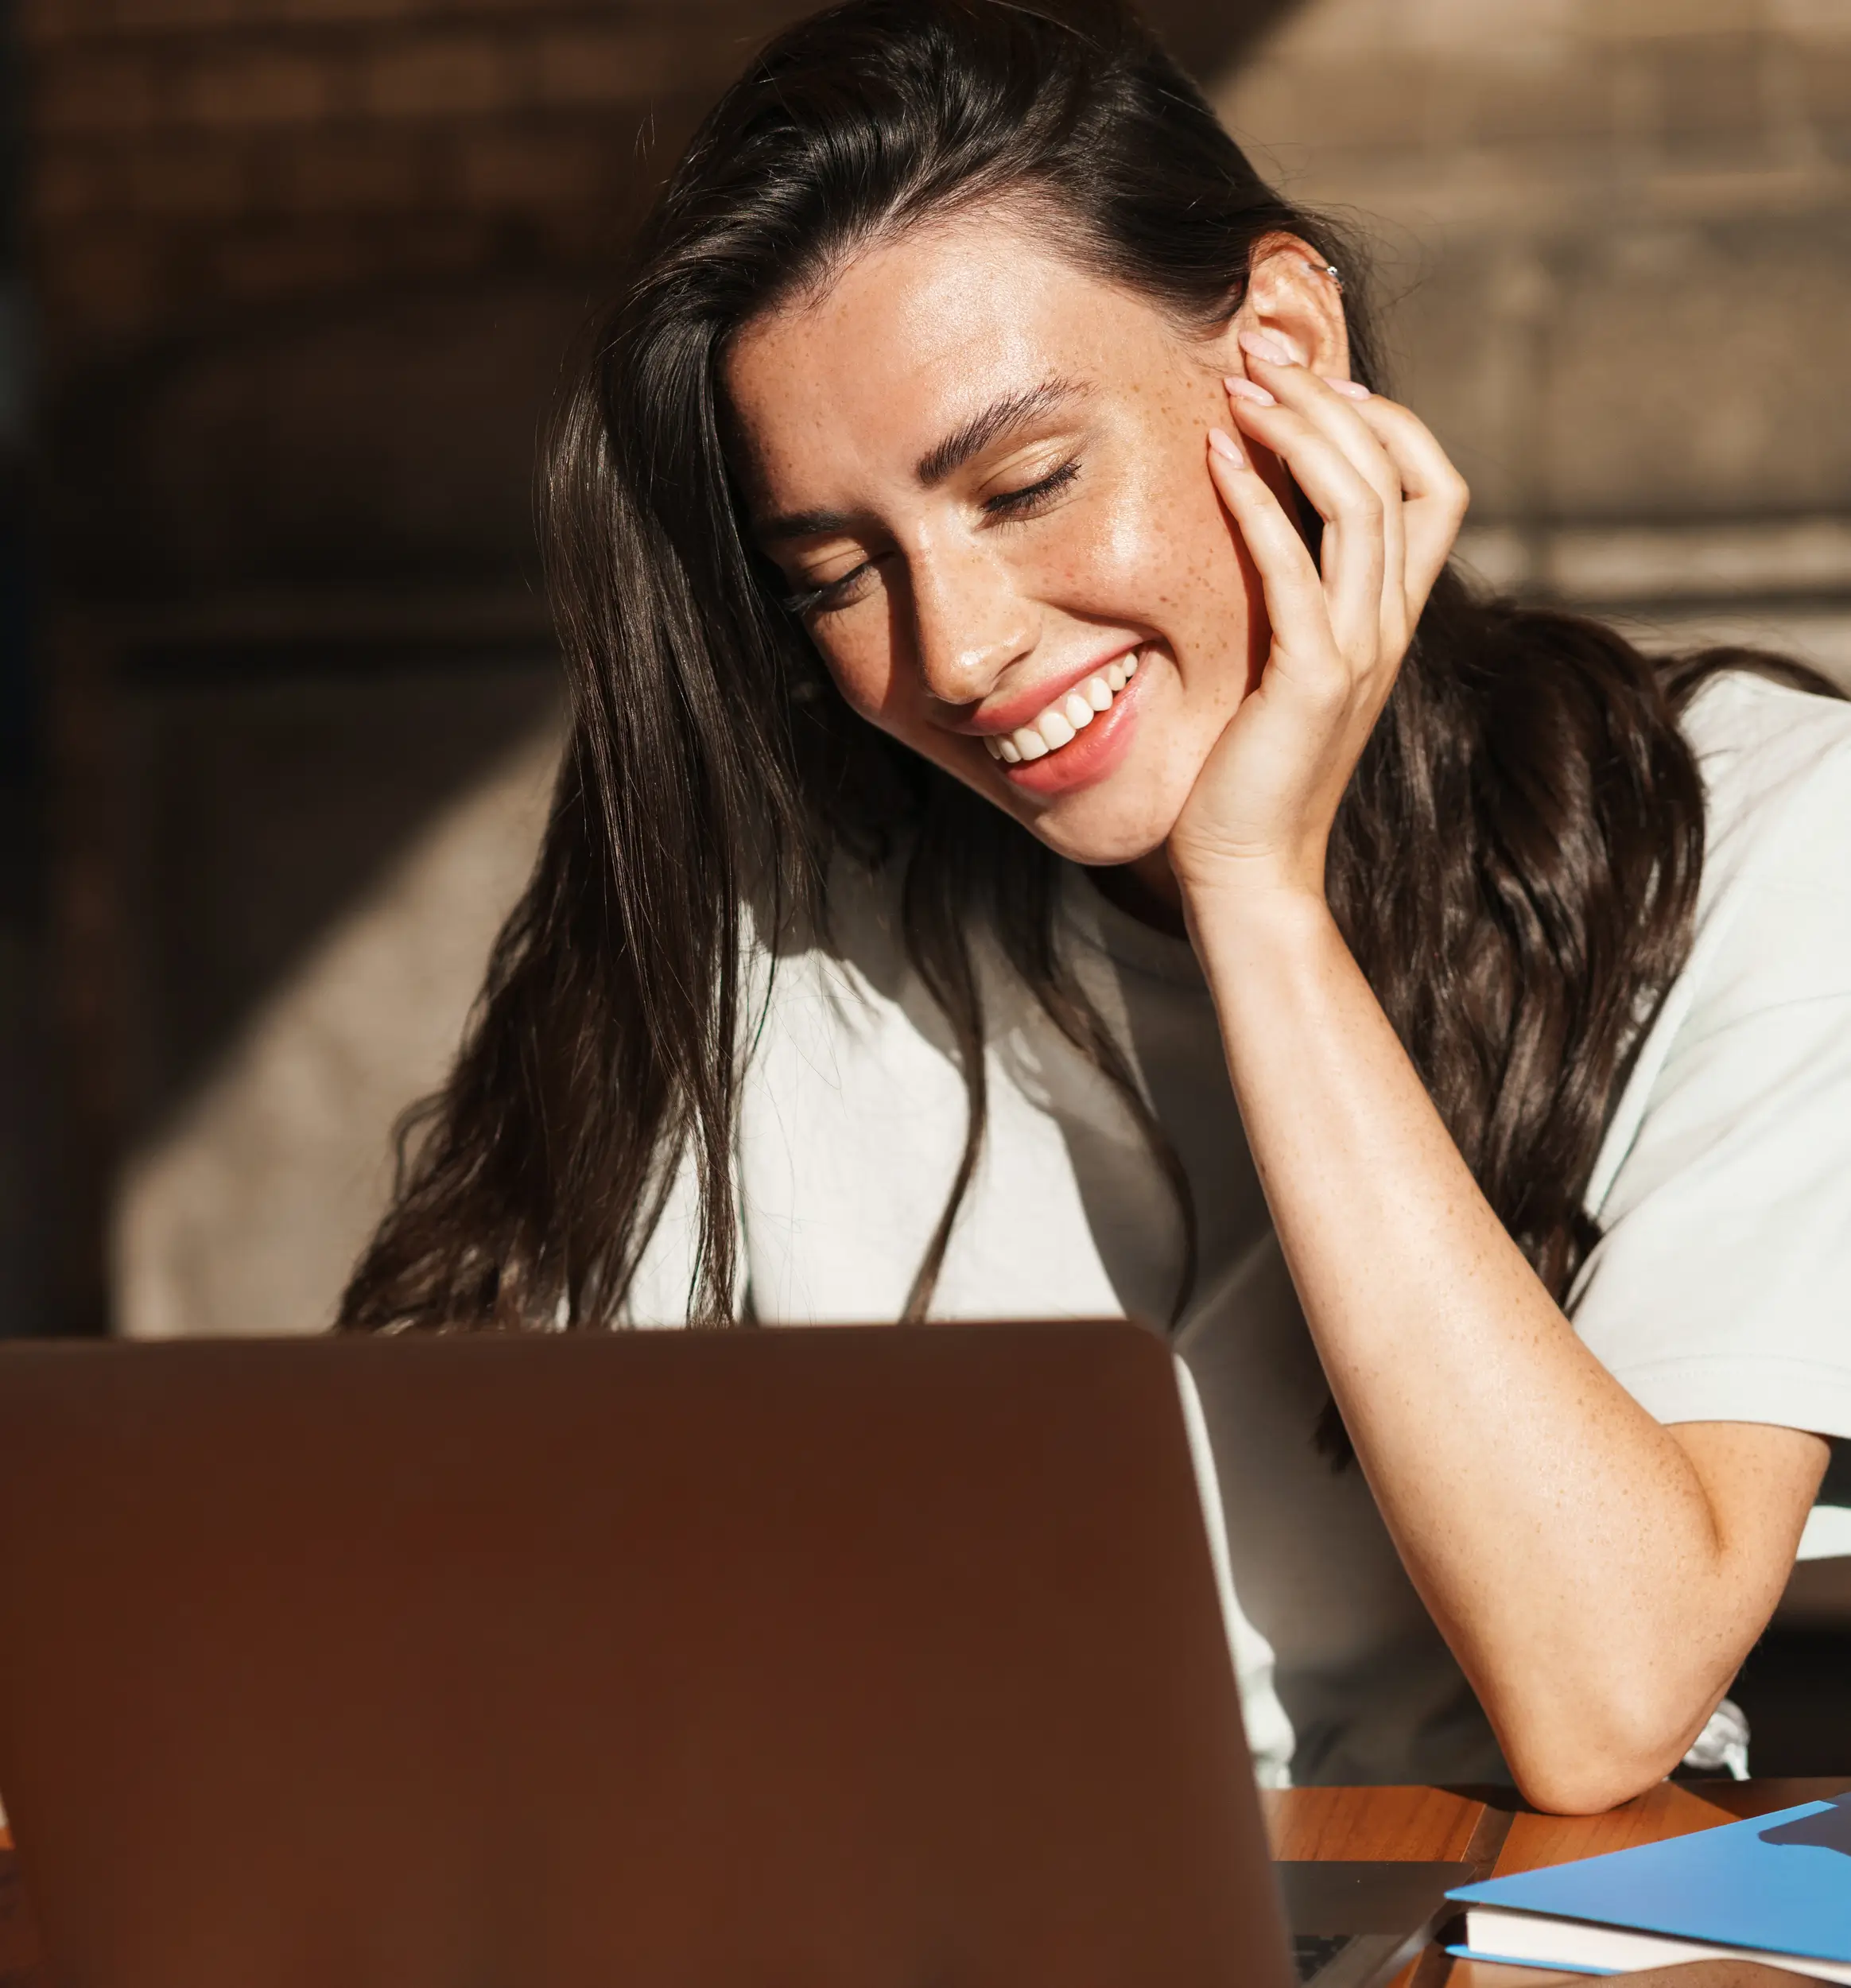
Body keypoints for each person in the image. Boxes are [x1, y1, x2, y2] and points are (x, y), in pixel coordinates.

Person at [340, 0, 1851, 1811]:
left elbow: (1605, 1690)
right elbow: (416, 1586)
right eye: (837, 573)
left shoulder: (1759, 829)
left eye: (1026, 483)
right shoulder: (792, 909)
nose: (959, 650)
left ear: (1282, 344)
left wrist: (1257, 897)